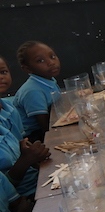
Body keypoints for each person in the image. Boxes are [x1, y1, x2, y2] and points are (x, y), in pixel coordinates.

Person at [0, 55, 49, 197]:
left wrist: (35, 156)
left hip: (37, 181)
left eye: (3, 72)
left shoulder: (9, 108)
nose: (1, 77)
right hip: (22, 197)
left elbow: (22, 147)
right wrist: (26, 160)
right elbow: (4, 192)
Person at [13, 41, 61, 142]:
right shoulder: (33, 91)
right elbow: (45, 127)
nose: (51, 62)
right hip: (33, 137)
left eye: (52, 56)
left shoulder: (48, 80)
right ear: (28, 69)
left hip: (51, 124)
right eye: (40, 61)